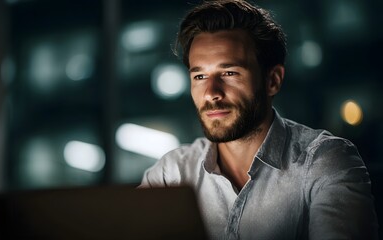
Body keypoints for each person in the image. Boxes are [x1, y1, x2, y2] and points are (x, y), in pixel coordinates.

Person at [139, 0, 379, 239]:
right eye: (200, 76)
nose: (211, 92)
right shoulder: (172, 174)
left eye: (229, 73)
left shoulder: (324, 162)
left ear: (272, 80)